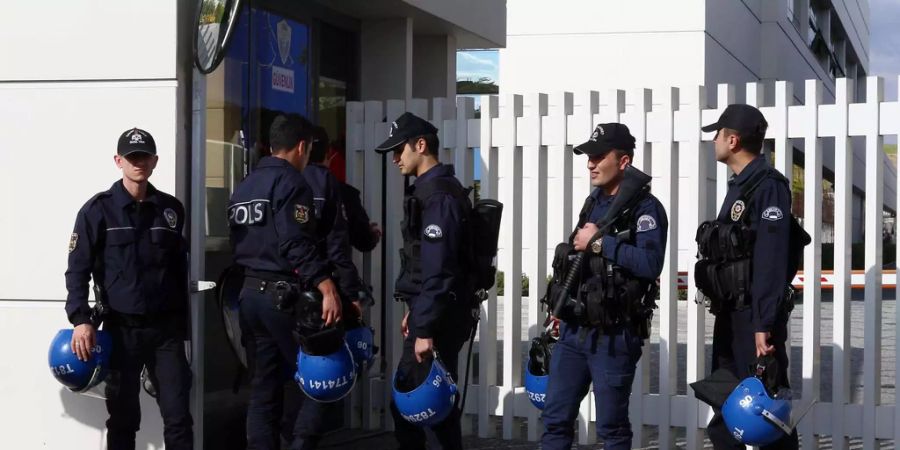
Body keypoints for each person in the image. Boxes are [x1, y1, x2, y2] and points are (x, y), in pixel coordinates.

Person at [541, 123, 667, 450]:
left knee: (611, 428)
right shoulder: (594, 201)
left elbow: (650, 264)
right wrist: (560, 307)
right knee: (554, 419)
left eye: (598, 156)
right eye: (588, 156)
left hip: (614, 333)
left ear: (623, 161)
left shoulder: (646, 209)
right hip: (573, 330)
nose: (590, 163)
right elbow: (578, 257)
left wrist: (600, 243)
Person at [64, 127, 193, 450]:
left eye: (144, 156)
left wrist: (184, 332)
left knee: (179, 418)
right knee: (123, 420)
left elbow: (179, 272)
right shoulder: (97, 211)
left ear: (155, 161)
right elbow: (77, 270)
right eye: (132, 157)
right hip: (122, 332)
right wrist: (81, 320)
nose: (139, 163)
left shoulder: (171, 210)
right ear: (118, 160)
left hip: (165, 333)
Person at [228, 114, 342, 450]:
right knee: (321, 377)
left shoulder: (245, 185)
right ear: (302, 147)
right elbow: (295, 243)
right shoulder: (293, 183)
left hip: (249, 295)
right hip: (283, 297)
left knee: (263, 388)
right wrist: (325, 285)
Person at [696, 104, 799, 449]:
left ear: (734, 139)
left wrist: (763, 324)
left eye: (718, 134)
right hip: (731, 314)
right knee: (727, 406)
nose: (714, 140)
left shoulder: (768, 187)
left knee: (765, 411)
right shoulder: (741, 186)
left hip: (753, 320)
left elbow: (771, 260)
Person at [374, 112, 475, 450]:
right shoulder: (429, 192)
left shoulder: (438, 197)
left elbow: (440, 268)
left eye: (399, 150)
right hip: (432, 311)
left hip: (441, 316)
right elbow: (424, 266)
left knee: (412, 405)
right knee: (431, 405)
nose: (395, 159)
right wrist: (415, 311)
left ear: (421, 145)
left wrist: (425, 327)